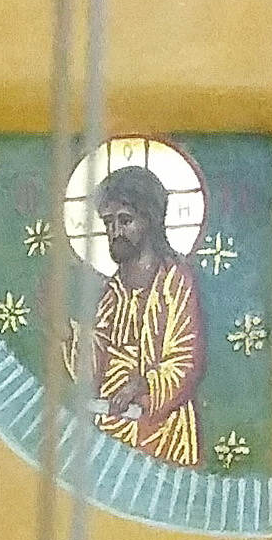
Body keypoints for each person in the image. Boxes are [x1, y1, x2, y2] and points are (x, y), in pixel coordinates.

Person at [85, 163, 205, 468]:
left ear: (149, 220)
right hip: (110, 424)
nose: (114, 232)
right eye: (108, 222)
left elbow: (185, 361)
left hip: (162, 431)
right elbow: (95, 359)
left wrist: (143, 385)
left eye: (125, 220)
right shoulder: (112, 291)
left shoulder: (174, 282)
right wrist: (67, 335)